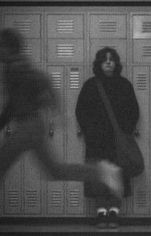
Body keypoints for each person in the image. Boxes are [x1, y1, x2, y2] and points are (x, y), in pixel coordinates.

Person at [0, 28, 123, 199]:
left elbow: (19, 98)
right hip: (33, 126)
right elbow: (36, 88)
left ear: (8, 47)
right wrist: (51, 104)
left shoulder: (16, 67)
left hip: (27, 127)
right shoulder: (17, 65)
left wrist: (53, 105)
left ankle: (101, 171)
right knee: (55, 171)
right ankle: (101, 171)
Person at [76, 47, 139, 228]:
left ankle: (114, 213)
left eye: (112, 60)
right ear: (99, 64)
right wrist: (90, 132)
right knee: (99, 176)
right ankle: (101, 213)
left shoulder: (125, 85)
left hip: (118, 142)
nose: (109, 63)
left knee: (117, 175)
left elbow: (133, 111)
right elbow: (81, 111)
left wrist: (125, 131)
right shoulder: (90, 85)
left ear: (116, 64)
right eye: (105, 60)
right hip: (96, 141)